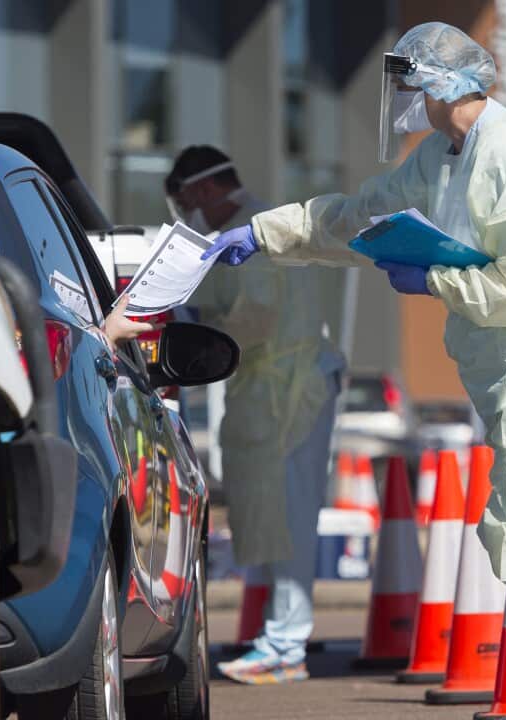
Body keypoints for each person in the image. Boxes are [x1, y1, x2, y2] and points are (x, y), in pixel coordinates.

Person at [203, 23, 506, 720]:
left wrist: (436, 282)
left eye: (410, 83)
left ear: (437, 83)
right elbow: (359, 218)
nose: (406, 99)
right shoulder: (440, 158)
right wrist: (270, 233)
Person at [165, 146, 346, 685]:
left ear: (201, 191)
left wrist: (193, 326)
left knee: (288, 516)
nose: (185, 214)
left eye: (183, 201)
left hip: (289, 391)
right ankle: (278, 636)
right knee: (269, 512)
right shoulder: (258, 225)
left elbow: (257, 316)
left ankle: (285, 644)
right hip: (269, 388)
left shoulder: (254, 233)